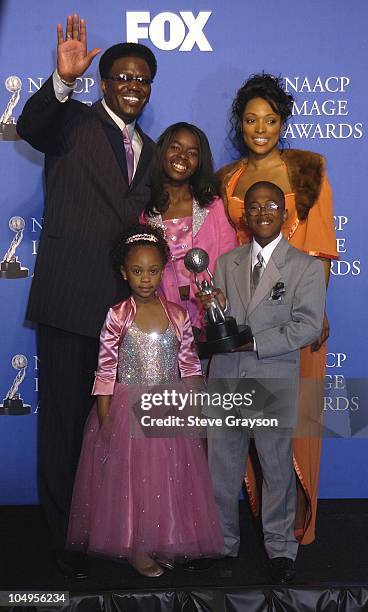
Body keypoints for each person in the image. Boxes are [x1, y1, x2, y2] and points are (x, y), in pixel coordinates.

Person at [16, 14, 157, 576]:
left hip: (122, 314)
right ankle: (64, 542)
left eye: (141, 80)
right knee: (64, 427)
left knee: (113, 431)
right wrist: (60, 78)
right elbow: (30, 126)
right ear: (103, 83)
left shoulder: (148, 148)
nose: (131, 87)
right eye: (121, 77)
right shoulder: (69, 120)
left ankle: (107, 530)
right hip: (70, 300)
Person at [217, 73, 338, 545]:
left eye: (270, 119)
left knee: (293, 427)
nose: (260, 128)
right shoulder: (229, 177)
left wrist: (317, 310)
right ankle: (249, 521)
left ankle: (292, 530)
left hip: (295, 318)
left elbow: (323, 247)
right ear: (240, 124)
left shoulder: (310, 169)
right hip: (244, 318)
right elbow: (226, 248)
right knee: (243, 428)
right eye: (250, 120)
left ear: (283, 122)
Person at [66, 224, 223, 577]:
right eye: (137, 271)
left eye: (153, 271)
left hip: (169, 407)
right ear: (124, 272)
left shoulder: (179, 315)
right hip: (127, 410)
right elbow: (106, 369)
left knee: (168, 481)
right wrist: (106, 417)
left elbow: (190, 366)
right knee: (133, 483)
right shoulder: (118, 315)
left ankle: (162, 540)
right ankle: (137, 546)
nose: (146, 279)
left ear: (164, 270)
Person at [200, 181, 326, 582]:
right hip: (225, 377)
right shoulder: (226, 262)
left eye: (270, 205)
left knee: (275, 468)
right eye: (253, 207)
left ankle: (280, 548)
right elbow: (219, 324)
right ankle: (221, 542)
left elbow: (307, 326)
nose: (262, 212)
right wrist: (214, 309)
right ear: (244, 215)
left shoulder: (304, 266)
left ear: (284, 213)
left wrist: (254, 342)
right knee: (221, 467)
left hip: (271, 378)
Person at [142, 122, 236, 332]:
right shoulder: (145, 213)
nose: (182, 156)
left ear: (199, 162)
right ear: (162, 152)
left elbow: (230, 265)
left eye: (192, 152)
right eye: (175, 148)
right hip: (161, 326)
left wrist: (219, 308)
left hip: (208, 325)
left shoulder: (214, 208)